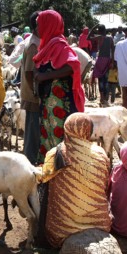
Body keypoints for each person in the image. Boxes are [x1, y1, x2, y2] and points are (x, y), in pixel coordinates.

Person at [37, 113, 111, 248]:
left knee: (46, 184)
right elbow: (106, 184)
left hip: (62, 230)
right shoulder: (101, 153)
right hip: (99, 223)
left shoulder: (56, 153)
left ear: (67, 128)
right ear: (89, 130)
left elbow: (43, 177)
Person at [33, 10, 85, 164]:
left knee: (59, 141)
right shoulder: (47, 46)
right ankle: (51, 173)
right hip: (48, 105)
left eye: (39, 25)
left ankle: (62, 176)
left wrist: (44, 76)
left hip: (60, 106)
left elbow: (72, 66)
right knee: (49, 139)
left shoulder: (59, 45)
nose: (37, 29)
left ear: (48, 25)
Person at [22, 11, 41, 165]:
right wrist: (35, 93)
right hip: (33, 95)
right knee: (32, 134)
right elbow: (29, 72)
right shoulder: (34, 44)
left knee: (33, 131)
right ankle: (29, 164)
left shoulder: (36, 41)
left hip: (33, 93)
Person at [90, 24, 115, 107]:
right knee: (106, 80)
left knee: (100, 80)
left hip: (100, 60)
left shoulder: (99, 37)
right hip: (108, 60)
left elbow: (88, 38)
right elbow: (113, 49)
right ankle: (105, 98)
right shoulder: (110, 38)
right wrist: (112, 61)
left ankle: (102, 97)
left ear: (99, 31)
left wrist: (93, 27)